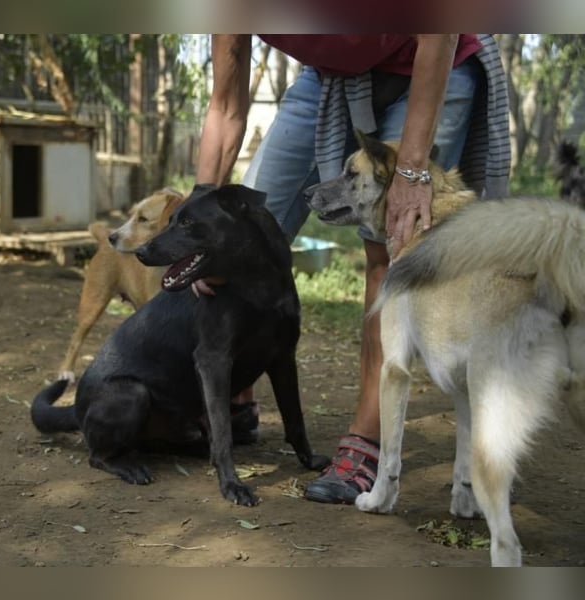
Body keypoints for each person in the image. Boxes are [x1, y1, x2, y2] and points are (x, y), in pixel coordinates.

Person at [194, 34, 510, 505]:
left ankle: (366, 440)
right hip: (325, 80)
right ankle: (237, 394)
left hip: (426, 63)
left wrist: (411, 173)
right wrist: (203, 203)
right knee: (237, 241)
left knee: (390, 248)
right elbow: (224, 103)